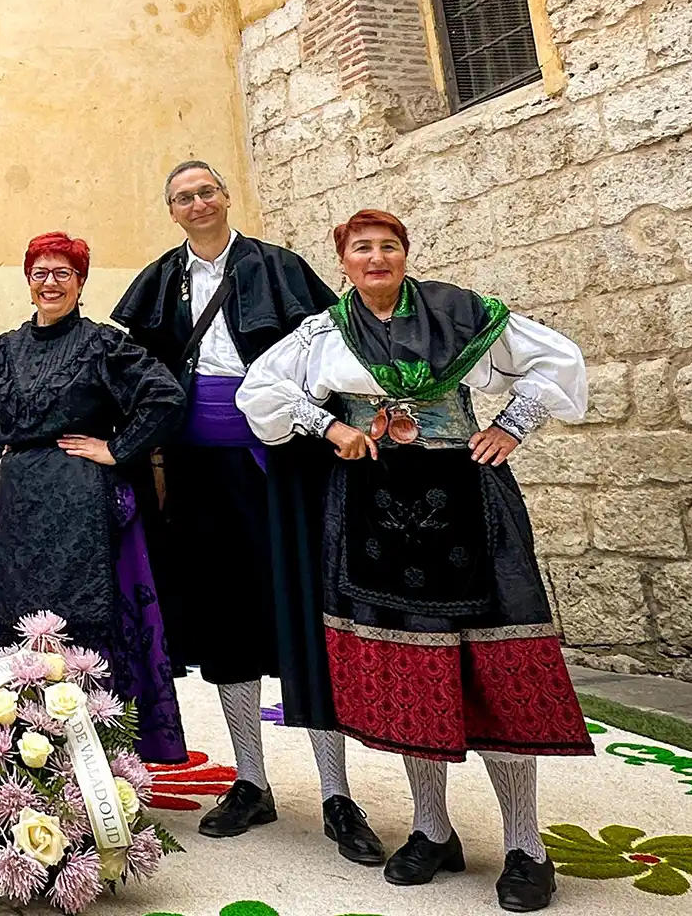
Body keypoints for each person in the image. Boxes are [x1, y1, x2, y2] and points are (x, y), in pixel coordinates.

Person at [237, 209, 591, 913]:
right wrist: (329, 424)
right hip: (374, 515)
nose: (376, 258)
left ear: (406, 254)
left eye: (388, 247)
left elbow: (559, 358)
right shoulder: (324, 331)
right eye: (361, 248)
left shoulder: (458, 314)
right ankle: (433, 830)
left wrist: (511, 425)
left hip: (469, 504)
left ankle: (527, 848)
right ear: (342, 260)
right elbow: (262, 391)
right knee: (411, 670)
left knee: (498, 670)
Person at [112, 162, 382, 864]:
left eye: (206, 191)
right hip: (195, 473)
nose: (197, 203)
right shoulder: (159, 280)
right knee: (227, 620)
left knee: (305, 611)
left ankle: (335, 793)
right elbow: (131, 371)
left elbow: (335, 352)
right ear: (171, 211)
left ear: (225, 198)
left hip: (282, 465)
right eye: (182, 196)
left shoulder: (279, 267)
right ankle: (252, 782)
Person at [0, 231, 188, 764]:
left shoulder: (102, 343)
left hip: (85, 498)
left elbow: (165, 396)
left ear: (80, 282)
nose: (51, 283)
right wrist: (11, 456)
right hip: (23, 504)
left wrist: (117, 449)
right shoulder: (5, 350)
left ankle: (101, 756)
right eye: (41, 272)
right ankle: (22, 750)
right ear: (28, 280)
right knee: (22, 619)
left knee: (91, 621)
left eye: (63, 273)